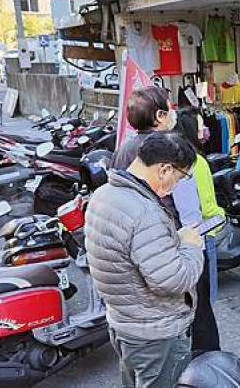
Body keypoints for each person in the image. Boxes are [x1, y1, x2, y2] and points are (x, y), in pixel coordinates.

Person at [86, 132, 204, 388]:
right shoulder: (144, 212)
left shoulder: (104, 195)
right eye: (182, 176)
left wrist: (174, 239)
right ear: (164, 169)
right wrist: (193, 248)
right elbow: (173, 280)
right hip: (155, 332)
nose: (178, 184)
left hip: (124, 321)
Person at [172, 107, 226, 353]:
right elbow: (209, 210)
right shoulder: (197, 162)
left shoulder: (171, 159)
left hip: (178, 241)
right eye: (201, 124)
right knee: (204, 303)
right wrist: (222, 217)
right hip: (201, 239)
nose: (205, 130)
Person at [112, 86, 177, 170]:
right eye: (170, 108)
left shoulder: (123, 149)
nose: (173, 112)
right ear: (160, 115)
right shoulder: (168, 148)